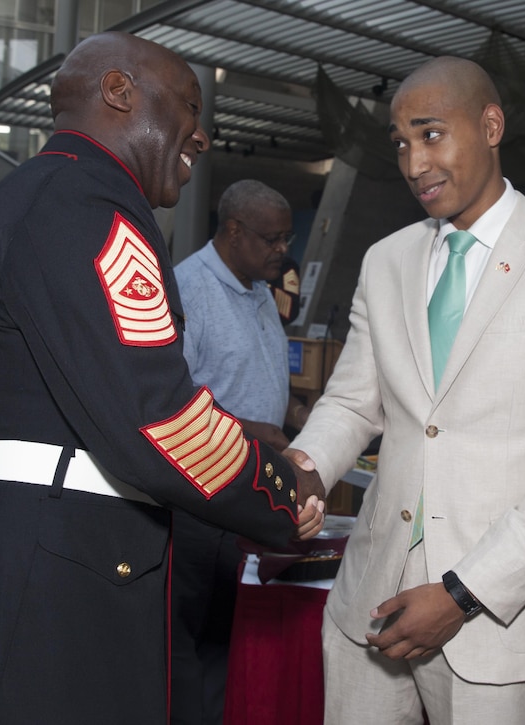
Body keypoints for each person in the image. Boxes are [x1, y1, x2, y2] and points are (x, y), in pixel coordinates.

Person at [0, 31, 324, 724]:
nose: (198, 136)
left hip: (18, 538)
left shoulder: (37, 192)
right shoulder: (92, 206)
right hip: (54, 567)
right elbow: (159, 418)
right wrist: (282, 494)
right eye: (189, 108)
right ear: (118, 92)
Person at [285, 56, 525, 723]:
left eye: (432, 134)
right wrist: (304, 467)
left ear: (491, 125)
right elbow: (354, 400)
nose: (415, 163)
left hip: (495, 622)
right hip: (369, 603)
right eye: (401, 143)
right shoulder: (387, 260)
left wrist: (462, 592)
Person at [170, 179, 300, 724]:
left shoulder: (258, 290)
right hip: (203, 497)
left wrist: (293, 421)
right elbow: (169, 402)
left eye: (286, 239)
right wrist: (256, 432)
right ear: (233, 230)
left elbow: (253, 376)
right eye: (271, 239)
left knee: (235, 630)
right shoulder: (187, 289)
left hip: (255, 492)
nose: (282, 251)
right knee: (194, 636)